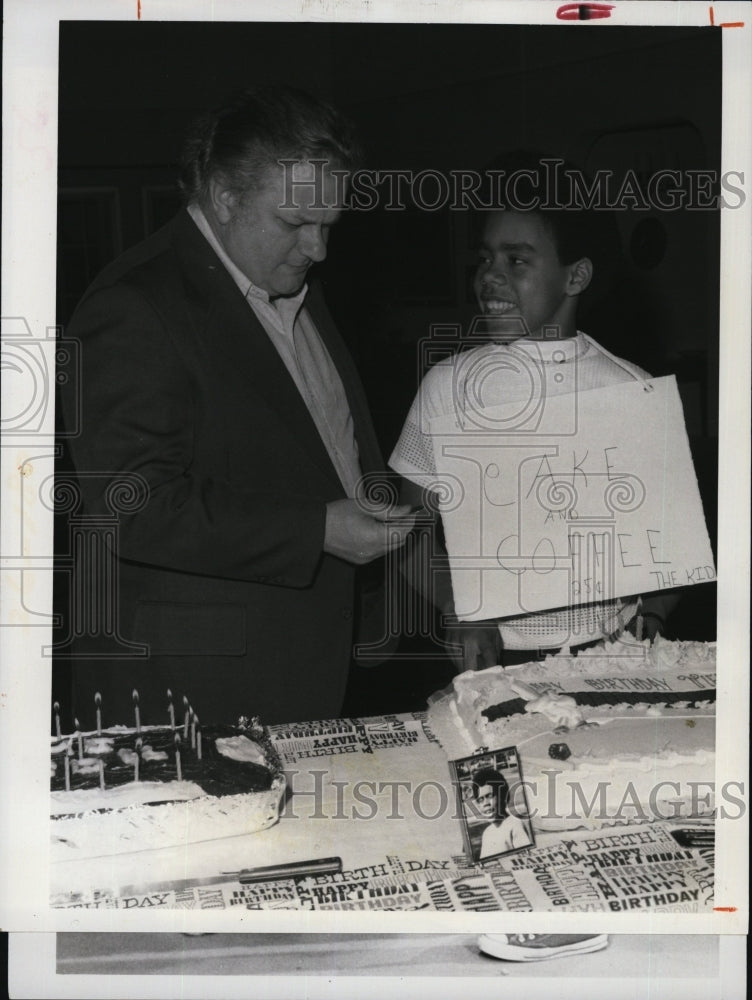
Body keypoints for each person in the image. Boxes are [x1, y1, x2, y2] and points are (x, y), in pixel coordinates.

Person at [58, 85, 415, 728]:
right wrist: (320, 529)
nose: (318, 250)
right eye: (295, 224)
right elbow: (131, 504)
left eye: (328, 226)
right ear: (224, 197)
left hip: (296, 665)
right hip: (191, 693)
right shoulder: (134, 305)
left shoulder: (286, 280)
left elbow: (308, 447)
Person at [389, 151, 677, 672]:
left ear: (576, 276)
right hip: (491, 659)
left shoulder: (632, 390)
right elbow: (410, 534)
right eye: (485, 259)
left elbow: (672, 557)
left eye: (516, 261)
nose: (489, 278)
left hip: (610, 656)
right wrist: (458, 607)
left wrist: (652, 616)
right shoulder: (448, 388)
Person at [470, 767, 531, 859]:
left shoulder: (515, 825)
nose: (486, 803)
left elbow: (526, 859)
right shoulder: (487, 833)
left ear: (503, 796)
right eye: (480, 800)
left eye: (490, 796)